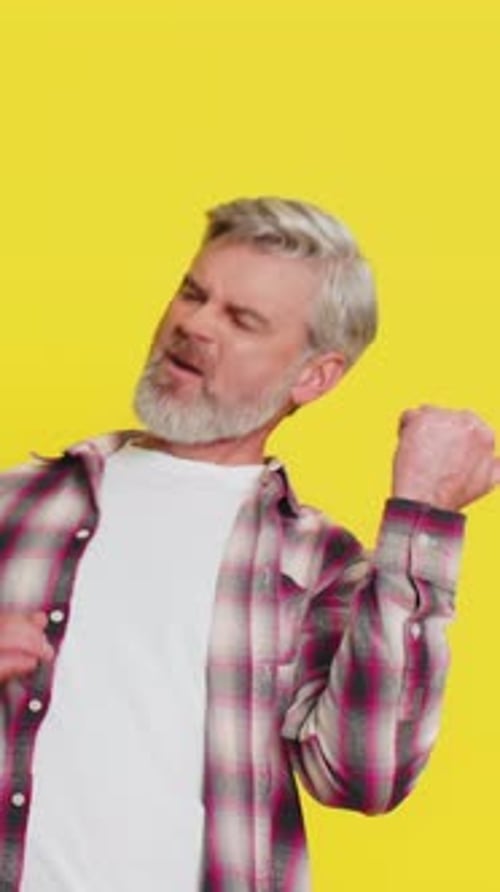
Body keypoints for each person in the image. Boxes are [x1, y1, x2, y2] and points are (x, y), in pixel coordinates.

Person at [0, 197, 497, 892]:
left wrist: (423, 515)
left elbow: (365, 774)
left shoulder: (317, 566)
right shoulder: (15, 505)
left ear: (313, 376)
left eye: (242, 320)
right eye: (193, 292)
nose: (193, 324)